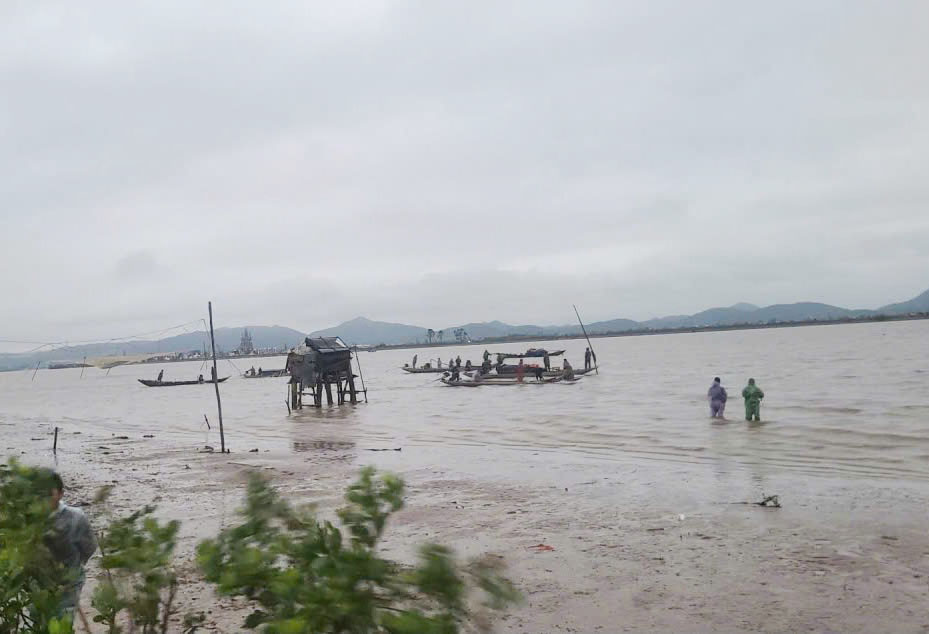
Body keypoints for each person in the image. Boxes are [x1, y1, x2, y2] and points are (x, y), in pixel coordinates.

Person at [43, 469, 97, 620]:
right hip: (38, 582)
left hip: (69, 580)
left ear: (60, 494)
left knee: (64, 621)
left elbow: (89, 546)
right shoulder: (28, 520)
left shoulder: (76, 517)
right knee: (38, 620)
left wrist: (75, 566)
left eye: (49, 493)